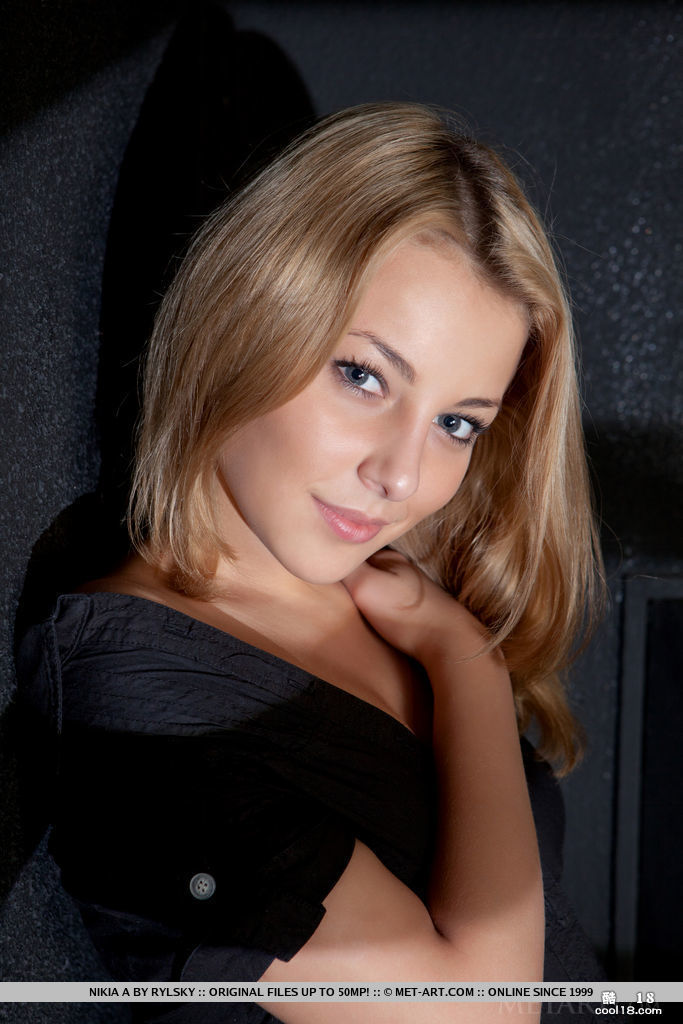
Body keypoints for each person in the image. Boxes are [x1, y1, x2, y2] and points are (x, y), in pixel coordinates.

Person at [16, 102, 605, 1022]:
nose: (401, 477)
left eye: (458, 423)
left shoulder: (392, 577)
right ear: (246, 317)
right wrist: (467, 663)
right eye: (363, 376)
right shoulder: (139, 689)